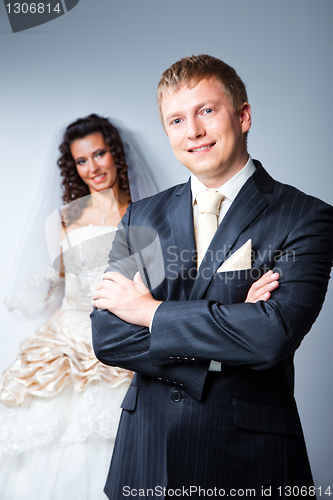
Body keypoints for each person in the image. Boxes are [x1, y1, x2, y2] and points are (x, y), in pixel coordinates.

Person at [91, 55, 333, 499]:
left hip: (248, 461)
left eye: (206, 111)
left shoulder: (306, 217)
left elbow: (270, 336)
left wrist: (150, 311)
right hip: (145, 457)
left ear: (243, 116)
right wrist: (231, 323)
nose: (193, 132)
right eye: (176, 120)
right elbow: (107, 336)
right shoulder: (141, 216)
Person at [0, 114, 157, 499]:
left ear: (115, 154)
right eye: (81, 161)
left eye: (99, 154)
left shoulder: (147, 212)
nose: (93, 167)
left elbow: (160, 280)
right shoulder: (63, 220)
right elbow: (59, 280)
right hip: (65, 342)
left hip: (124, 335)